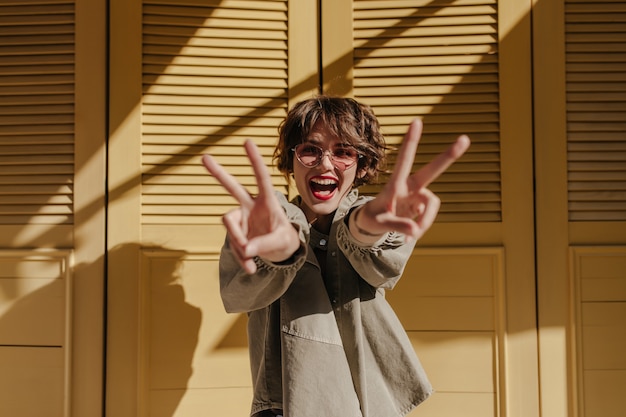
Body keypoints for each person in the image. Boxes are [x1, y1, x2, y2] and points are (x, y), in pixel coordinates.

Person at [202, 96, 470, 417]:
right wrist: (282, 251)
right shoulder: (274, 217)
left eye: (343, 152)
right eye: (310, 149)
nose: (325, 164)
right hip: (281, 406)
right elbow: (264, 258)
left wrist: (368, 229)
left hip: (369, 404)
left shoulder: (369, 214)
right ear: (292, 159)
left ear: (361, 165)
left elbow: (361, 233)